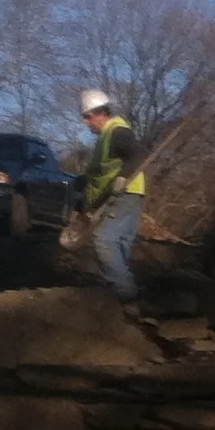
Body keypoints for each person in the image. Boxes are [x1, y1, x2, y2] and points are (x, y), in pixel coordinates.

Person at [78, 88, 145, 301]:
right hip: (130, 193)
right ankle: (123, 292)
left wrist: (123, 177)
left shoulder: (116, 132)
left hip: (124, 193)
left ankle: (124, 291)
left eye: (87, 117)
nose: (86, 123)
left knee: (104, 239)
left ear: (100, 114)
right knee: (121, 242)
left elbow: (138, 154)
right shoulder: (107, 137)